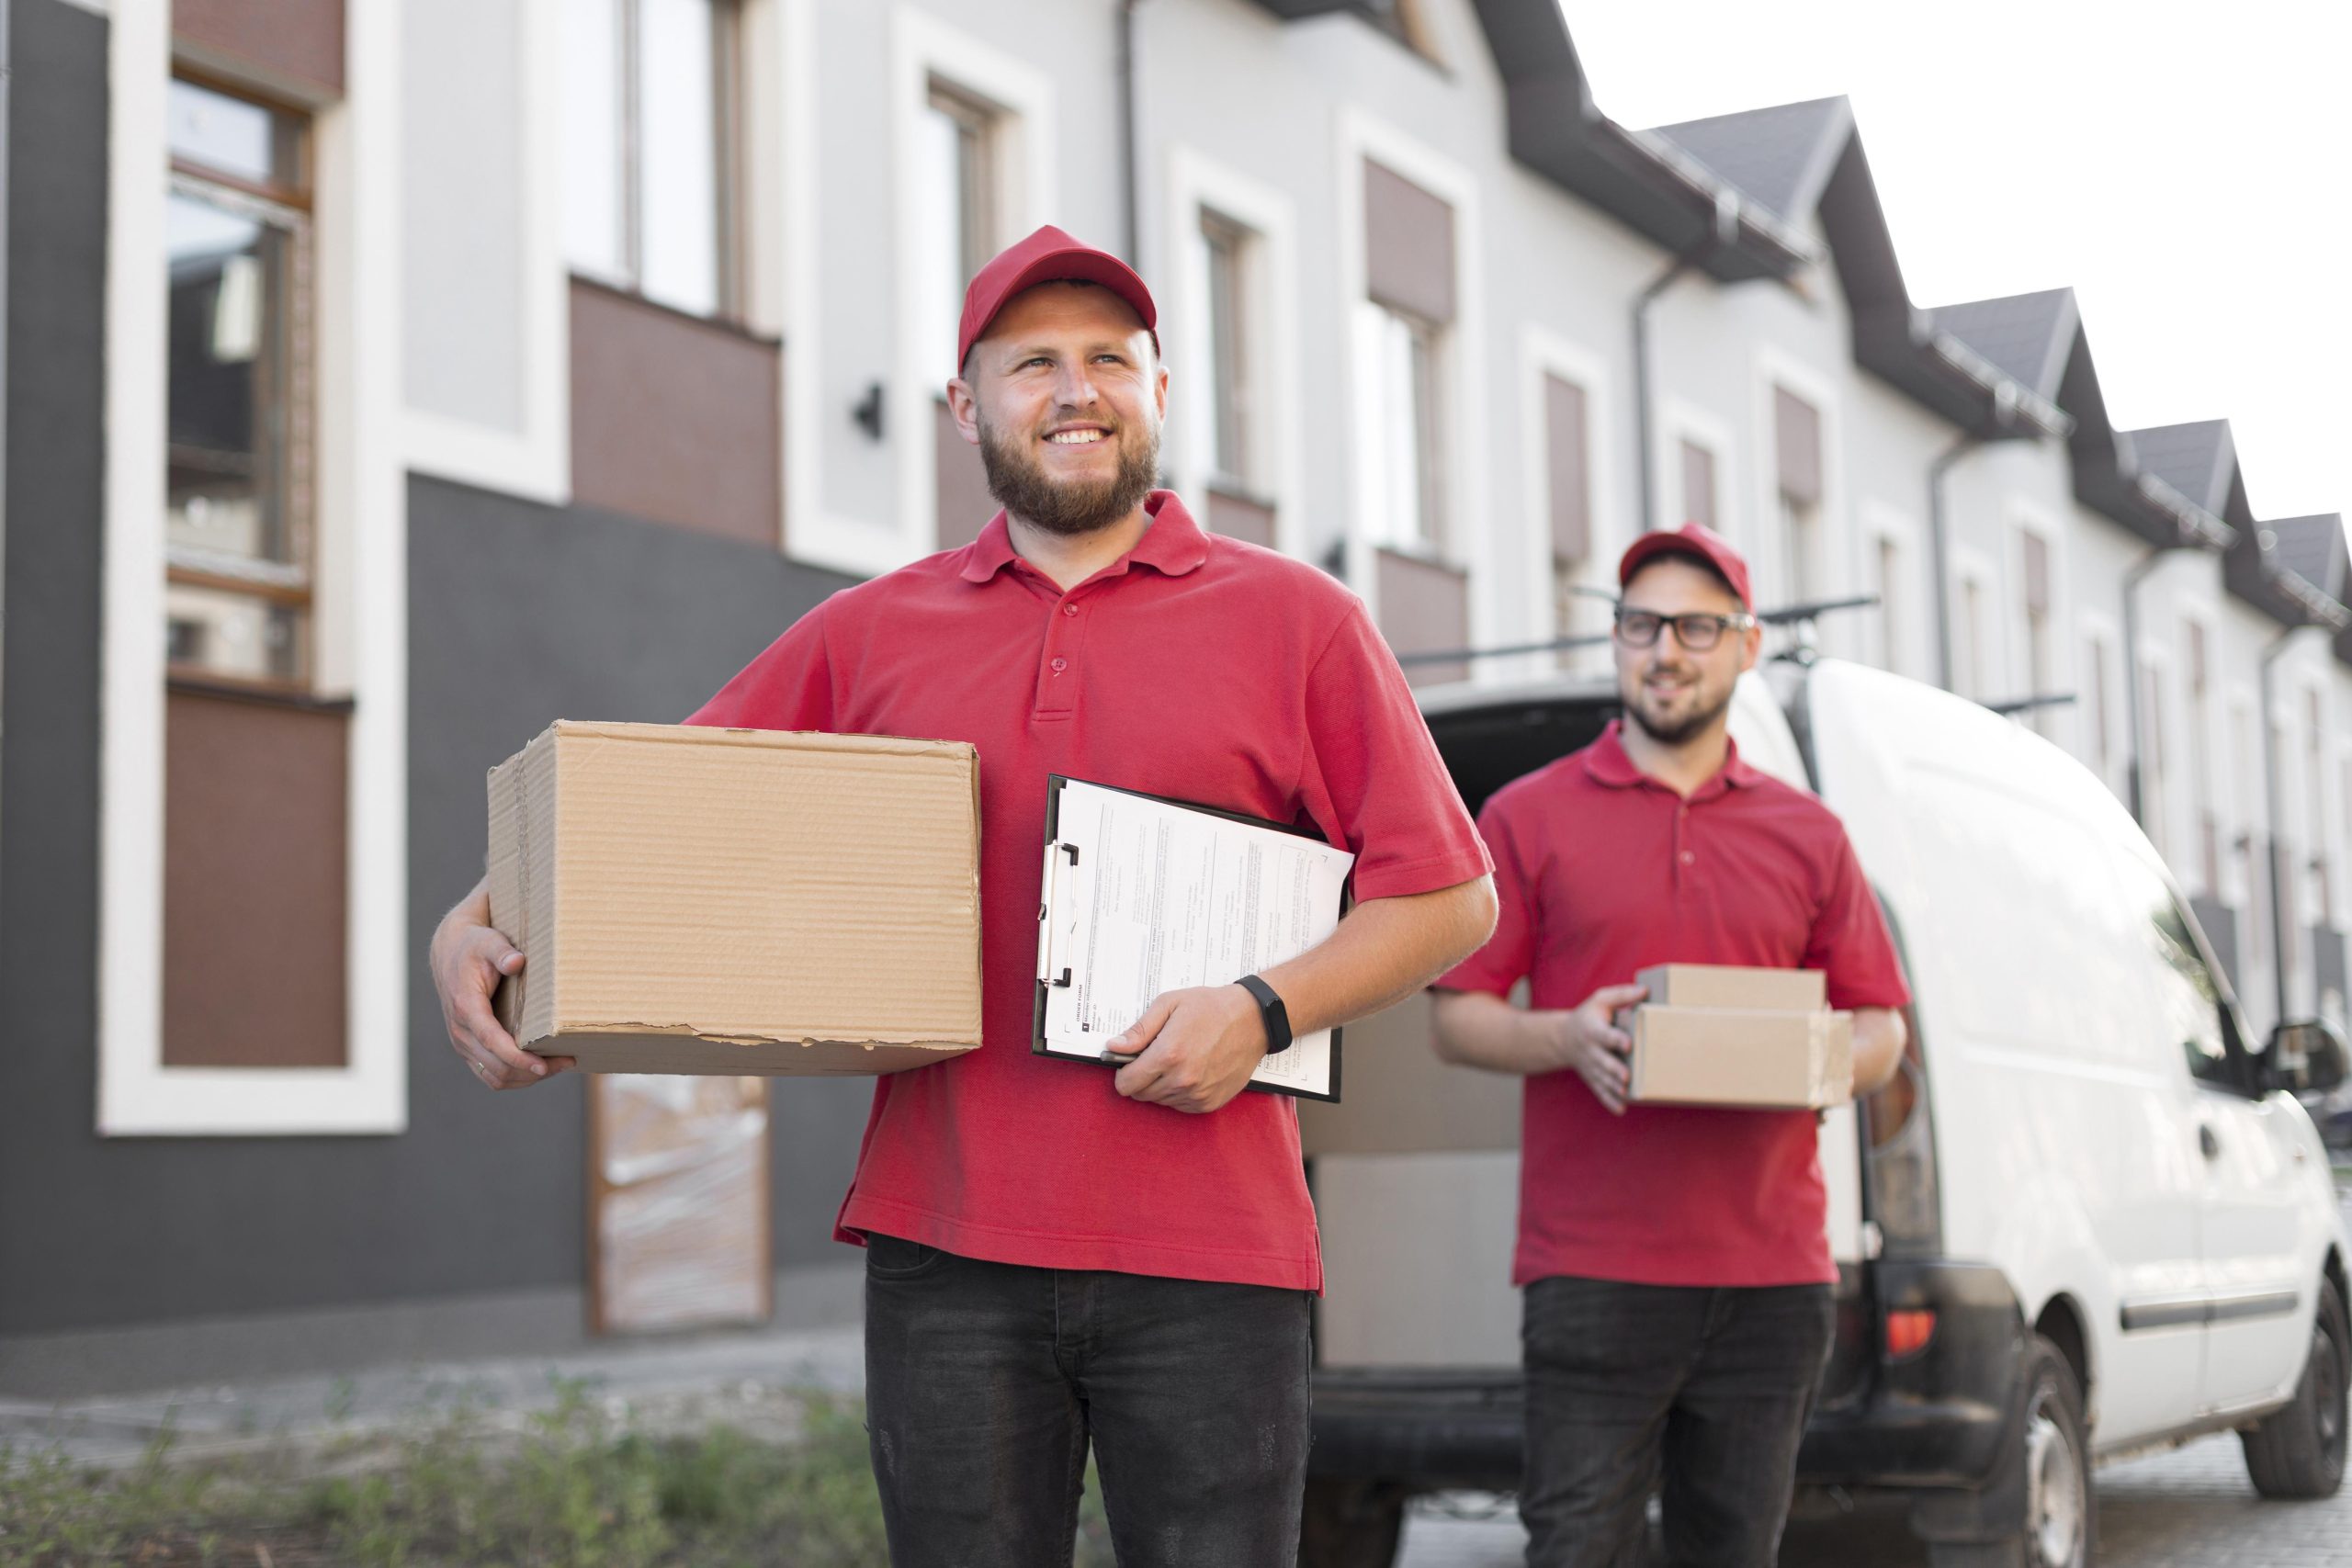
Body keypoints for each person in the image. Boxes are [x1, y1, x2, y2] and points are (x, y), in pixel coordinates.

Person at [428, 224, 1497, 1567]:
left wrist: (1260, 1007)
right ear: (967, 402)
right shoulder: (867, 631)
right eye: (1032, 361)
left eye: (1111, 358)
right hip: (945, 1254)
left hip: (1212, 1257)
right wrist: (467, 923)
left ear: (1159, 390)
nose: (1075, 389)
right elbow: (645, 817)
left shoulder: (1301, 621)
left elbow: (1450, 895)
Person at [1429, 523, 1910, 1568]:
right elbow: (1455, 1017)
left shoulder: (1808, 833)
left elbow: (1882, 1025)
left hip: (1772, 1278)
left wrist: (1827, 1060)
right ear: (1615, 640)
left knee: (1732, 1551)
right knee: (1572, 1550)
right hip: (1592, 1272)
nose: (1666, 650)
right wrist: (1564, 1034)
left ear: (1743, 646)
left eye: (1697, 626)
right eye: (1642, 624)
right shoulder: (1526, 817)